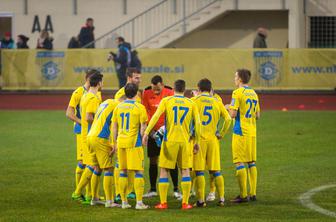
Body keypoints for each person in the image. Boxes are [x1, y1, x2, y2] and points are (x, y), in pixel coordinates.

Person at [143, 79, 201, 210]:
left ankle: (163, 203)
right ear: (184, 90)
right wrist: (196, 141)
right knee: (185, 170)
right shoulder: (191, 103)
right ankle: (185, 203)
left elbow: (156, 117)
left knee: (164, 170)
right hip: (185, 142)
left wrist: (146, 133)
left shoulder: (167, 101)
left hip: (169, 141)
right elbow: (197, 124)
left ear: (173, 89)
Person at [191, 79, 232, 207]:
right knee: (216, 170)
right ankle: (222, 199)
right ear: (210, 89)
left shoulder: (194, 101)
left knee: (199, 171)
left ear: (198, 88)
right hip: (213, 140)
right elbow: (228, 119)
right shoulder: (217, 102)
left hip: (199, 140)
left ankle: (201, 200)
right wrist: (221, 133)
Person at [142, 75, 181, 199]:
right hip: (153, 133)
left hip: (168, 133)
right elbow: (145, 112)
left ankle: (176, 189)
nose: (155, 92)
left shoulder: (170, 92)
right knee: (153, 160)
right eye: (154, 89)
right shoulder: (146, 93)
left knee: (172, 160)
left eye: (158, 89)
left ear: (162, 85)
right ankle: (153, 189)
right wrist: (151, 130)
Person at [112, 83, 149, 210]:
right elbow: (143, 127)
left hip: (121, 142)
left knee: (122, 171)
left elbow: (114, 126)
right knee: (138, 172)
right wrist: (143, 138)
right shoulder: (140, 107)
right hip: (134, 143)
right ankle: (139, 203)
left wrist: (114, 142)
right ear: (137, 93)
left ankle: (124, 202)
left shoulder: (118, 107)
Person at [227, 69, 260, 203]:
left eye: (235, 76)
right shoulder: (254, 93)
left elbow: (232, 115)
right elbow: (257, 116)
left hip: (240, 131)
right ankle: (253, 193)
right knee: (251, 162)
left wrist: (228, 107)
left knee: (239, 162)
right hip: (252, 132)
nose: (234, 78)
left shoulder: (237, 92)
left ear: (240, 79)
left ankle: (243, 195)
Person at [72, 71, 103, 204]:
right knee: (91, 165)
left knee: (94, 165)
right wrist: (100, 121)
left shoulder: (86, 96)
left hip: (85, 134)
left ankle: (92, 196)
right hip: (91, 134)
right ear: (99, 83)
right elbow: (89, 117)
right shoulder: (92, 98)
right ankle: (78, 192)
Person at [86, 98, 120, 208]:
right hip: (100, 138)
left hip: (91, 136)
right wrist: (114, 144)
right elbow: (115, 126)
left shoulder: (106, 102)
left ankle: (94, 198)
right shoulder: (118, 106)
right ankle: (110, 201)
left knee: (97, 168)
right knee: (108, 168)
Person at [66, 70, 94, 198]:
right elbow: (69, 113)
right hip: (81, 132)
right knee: (83, 161)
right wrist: (82, 123)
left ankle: (89, 194)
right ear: (88, 78)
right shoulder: (78, 92)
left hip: (92, 132)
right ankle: (79, 192)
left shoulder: (94, 92)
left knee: (90, 162)